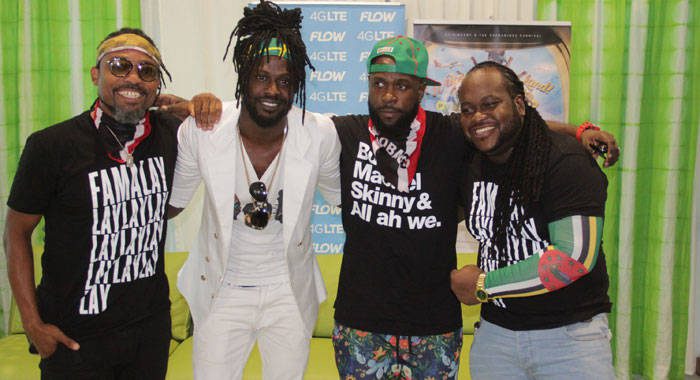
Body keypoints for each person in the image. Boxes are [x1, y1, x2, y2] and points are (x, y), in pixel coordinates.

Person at [184, 35, 619, 378]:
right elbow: (267, 116)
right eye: (380, 84)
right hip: (360, 323)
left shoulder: (453, 134)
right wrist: (190, 107)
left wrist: (577, 130)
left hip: (434, 324)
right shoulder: (341, 134)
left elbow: (509, 123)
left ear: (421, 91)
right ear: (368, 86)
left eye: (402, 86)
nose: (389, 95)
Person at [165, 1, 341, 379]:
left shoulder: (319, 134)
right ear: (244, 76)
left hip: (289, 292)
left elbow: (348, 202)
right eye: (262, 77)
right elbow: (171, 205)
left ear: (297, 84)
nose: (272, 89)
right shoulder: (203, 128)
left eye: (284, 80)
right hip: (222, 289)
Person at [4, 28, 180, 379]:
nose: (134, 77)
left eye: (147, 71)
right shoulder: (51, 146)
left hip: (148, 334)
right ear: (96, 74)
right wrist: (32, 323)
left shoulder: (172, 134)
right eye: (120, 66)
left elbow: (226, 125)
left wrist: (188, 106)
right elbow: (16, 234)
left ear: (157, 85)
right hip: (74, 339)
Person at [451, 61, 614, 379]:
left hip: (570, 341)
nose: (478, 117)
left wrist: (484, 285)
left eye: (490, 104)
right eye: (468, 109)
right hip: (495, 338)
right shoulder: (470, 160)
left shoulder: (567, 162)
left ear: (520, 105)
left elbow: (573, 258)